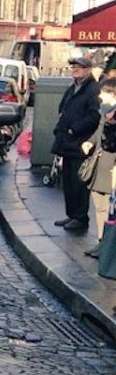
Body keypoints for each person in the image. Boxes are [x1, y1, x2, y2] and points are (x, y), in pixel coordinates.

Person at [53, 57, 101, 233]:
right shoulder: (73, 88)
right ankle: (72, 214)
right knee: (68, 181)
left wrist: (75, 129)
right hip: (67, 143)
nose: (74, 69)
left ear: (88, 70)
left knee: (79, 182)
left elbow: (94, 116)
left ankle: (80, 217)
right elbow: (63, 109)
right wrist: (59, 129)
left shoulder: (93, 90)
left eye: (78, 67)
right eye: (73, 66)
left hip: (81, 144)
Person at [87, 77, 116, 259]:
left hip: (111, 166)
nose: (100, 95)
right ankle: (100, 241)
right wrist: (89, 143)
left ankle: (107, 244)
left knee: (109, 208)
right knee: (99, 205)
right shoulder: (105, 112)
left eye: (103, 92)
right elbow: (98, 132)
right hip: (99, 162)